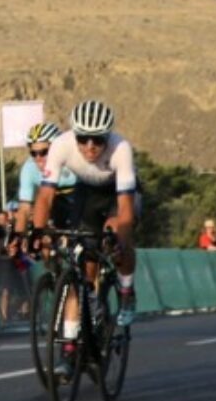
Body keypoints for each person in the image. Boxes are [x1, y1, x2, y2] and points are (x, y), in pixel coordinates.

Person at [31, 100, 139, 381]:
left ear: (108, 136)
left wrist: (120, 239)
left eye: (98, 139)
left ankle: (127, 290)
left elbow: (125, 208)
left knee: (118, 234)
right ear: (74, 134)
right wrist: (37, 233)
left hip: (118, 194)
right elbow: (45, 197)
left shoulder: (121, 149)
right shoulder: (61, 145)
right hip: (87, 194)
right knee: (83, 268)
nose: (90, 146)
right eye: (83, 139)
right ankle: (71, 349)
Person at [13, 122, 75, 253]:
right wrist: (18, 236)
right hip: (53, 202)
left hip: (80, 197)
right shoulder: (29, 168)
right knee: (44, 237)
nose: (38, 158)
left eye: (44, 152)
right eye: (33, 153)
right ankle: (52, 262)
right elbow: (24, 208)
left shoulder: (74, 160)